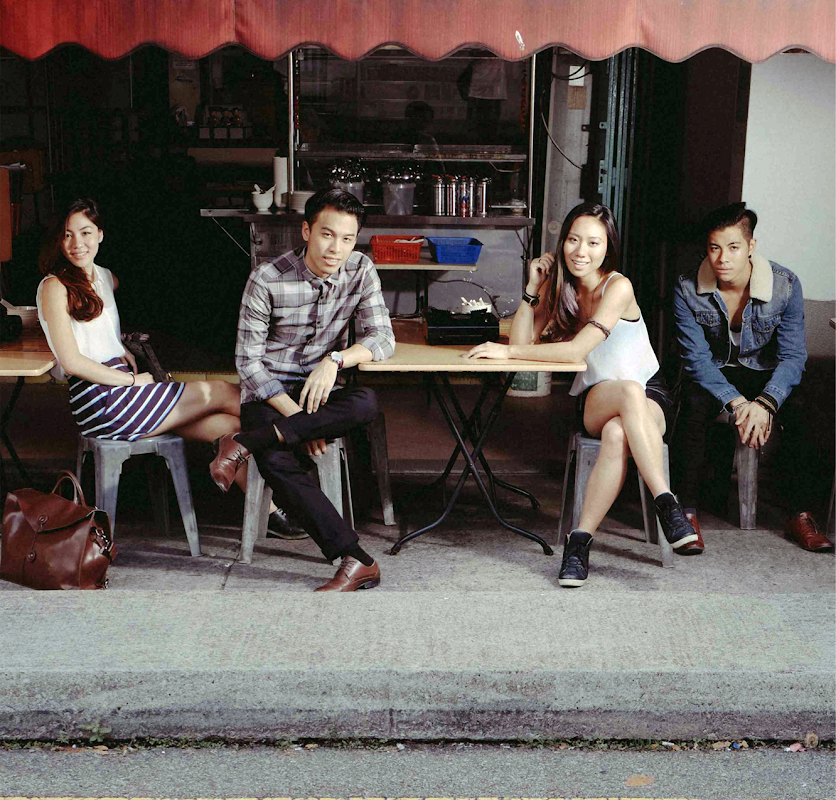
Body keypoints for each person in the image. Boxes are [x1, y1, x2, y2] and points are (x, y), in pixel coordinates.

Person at [465, 202, 697, 587]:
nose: (581, 251)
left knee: (619, 430)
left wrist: (507, 352)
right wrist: (532, 288)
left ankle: (578, 543)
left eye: (593, 242)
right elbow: (523, 343)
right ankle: (668, 505)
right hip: (596, 397)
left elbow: (574, 350)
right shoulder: (561, 287)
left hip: (649, 395)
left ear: (608, 249)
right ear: (562, 243)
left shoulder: (618, 287)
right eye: (573, 240)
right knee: (624, 395)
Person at [36, 198, 295, 538]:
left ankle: (269, 512)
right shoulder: (54, 286)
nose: (76, 244)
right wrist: (130, 380)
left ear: (100, 234)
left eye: (85, 233)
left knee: (229, 425)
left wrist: (119, 344)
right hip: (101, 399)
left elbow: (97, 325)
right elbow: (71, 361)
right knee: (220, 390)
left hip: (123, 391)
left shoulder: (104, 278)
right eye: (67, 235)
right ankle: (300, 428)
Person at [209, 188, 395, 591]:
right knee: (275, 458)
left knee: (365, 401)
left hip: (321, 392)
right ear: (307, 231)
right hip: (270, 393)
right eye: (327, 235)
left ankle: (243, 443)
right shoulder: (267, 278)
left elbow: (383, 338)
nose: (336, 248)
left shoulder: (361, 269)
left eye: (347, 239)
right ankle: (357, 559)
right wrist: (299, 421)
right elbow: (248, 364)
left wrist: (335, 361)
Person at [672, 202, 832, 552]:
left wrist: (766, 402)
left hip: (765, 373)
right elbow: (696, 359)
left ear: (751, 246)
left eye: (733, 247)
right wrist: (738, 402)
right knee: (691, 405)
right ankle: (686, 513)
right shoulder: (687, 287)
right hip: (714, 373)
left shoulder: (785, 284)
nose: (722, 258)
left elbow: (793, 356)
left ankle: (800, 514)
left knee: (807, 409)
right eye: (714, 247)